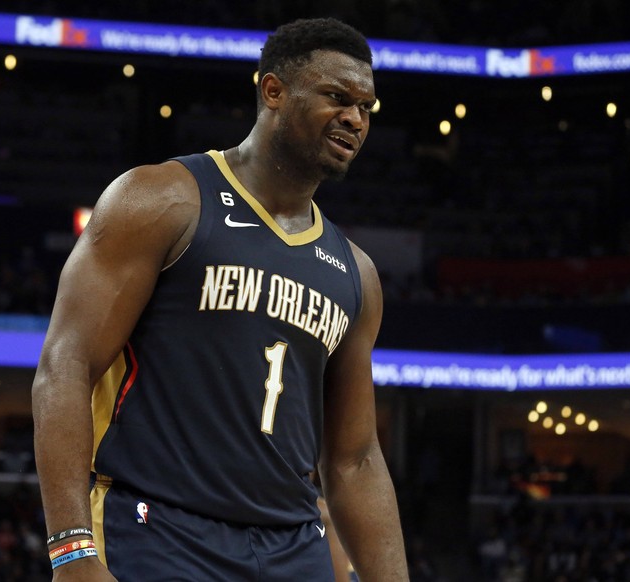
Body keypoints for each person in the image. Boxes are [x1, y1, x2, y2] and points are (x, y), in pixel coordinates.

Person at [32, 16, 408, 581]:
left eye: (366, 107)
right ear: (273, 91)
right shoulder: (162, 200)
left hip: (292, 546)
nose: (355, 118)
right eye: (337, 97)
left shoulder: (356, 273)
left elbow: (355, 459)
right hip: (158, 528)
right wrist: (71, 550)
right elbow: (66, 366)